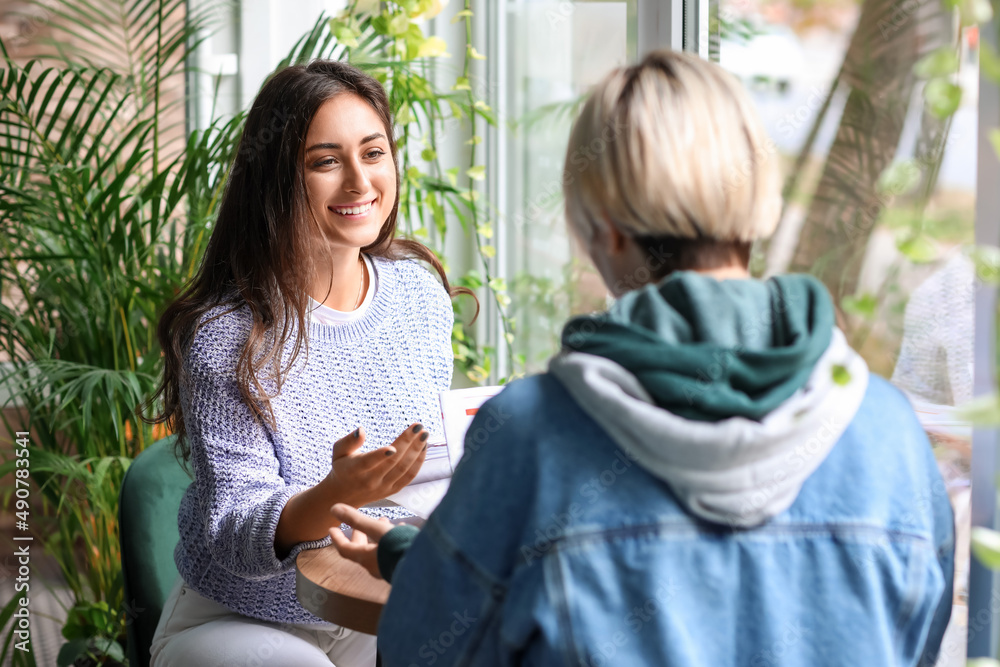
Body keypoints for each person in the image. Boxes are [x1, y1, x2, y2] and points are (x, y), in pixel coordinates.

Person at [330, 50, 955, 666]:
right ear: (756, 198)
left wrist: (434, 566)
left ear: (606, 228)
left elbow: (427, 650)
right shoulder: (887, 431)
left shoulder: (533, 440)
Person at [146, 60, 470, 667]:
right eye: (325, 162)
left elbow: (428, 472)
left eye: (373, 152)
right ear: (276, 180)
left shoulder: (419, 296)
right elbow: (236, 535)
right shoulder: (227, 336)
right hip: (243, 618)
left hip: (374, 601)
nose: (359, 181)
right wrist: (333, 494)